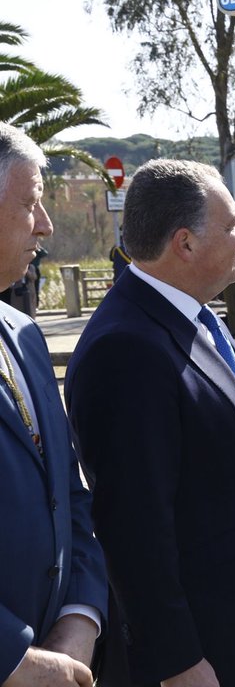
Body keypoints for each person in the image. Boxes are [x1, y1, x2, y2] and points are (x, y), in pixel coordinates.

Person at [65, 159, 235, 686]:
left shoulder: (190, 315)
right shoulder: (124, 348)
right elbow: (132, 527)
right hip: (202, 658)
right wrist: (178, 662)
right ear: (185, 243)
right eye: (231, 225)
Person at [0, 121, 107, 687]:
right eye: (31, 204)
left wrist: (79, 620)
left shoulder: (24, 334)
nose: (45, 225)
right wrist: (15, 661)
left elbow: (68, 492)